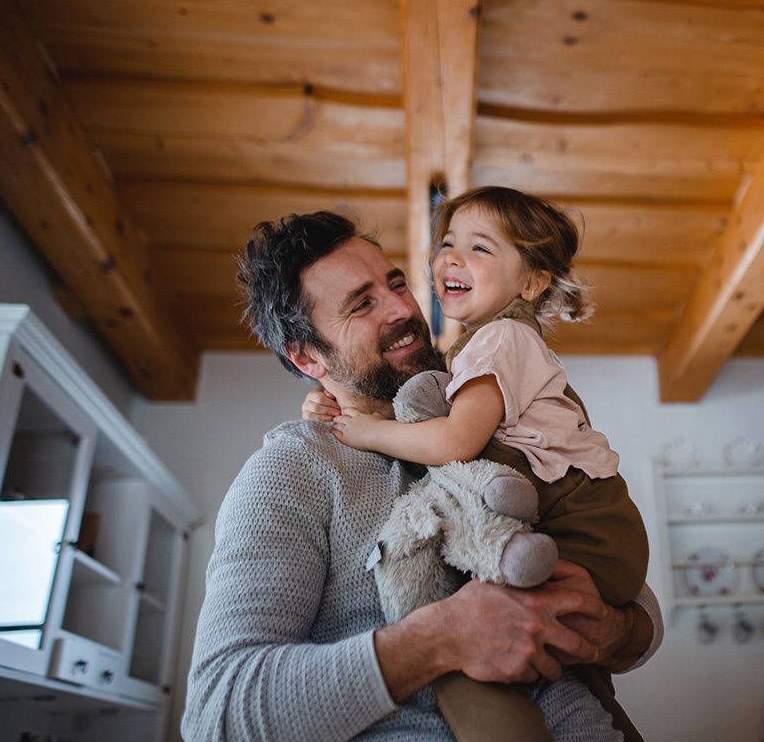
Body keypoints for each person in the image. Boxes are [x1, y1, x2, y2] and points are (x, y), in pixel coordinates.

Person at [181, 210, 662, 742]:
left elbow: (634, 609)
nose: (403, 309)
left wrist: (614, 632)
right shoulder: (290, 470)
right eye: (362, 304)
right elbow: (216, 715)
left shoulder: (485, 410)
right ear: (307, 356)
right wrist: (439, 640)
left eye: (396, 284)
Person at [322, 186, 648, 609]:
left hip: (583, 530)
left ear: (531, 283)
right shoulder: (492, 344)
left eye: (479, 248)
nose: (452, 258)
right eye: (448, 244)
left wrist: (369, 432)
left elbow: (455, 441)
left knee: (483, 633)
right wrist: (331, 405)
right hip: (600, 533)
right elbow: (422, 409)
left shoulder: (499, 338)